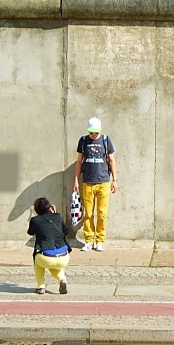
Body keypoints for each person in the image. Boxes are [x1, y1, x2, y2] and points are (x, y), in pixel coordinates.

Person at [73, 117, 116, 251]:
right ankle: (89, 240)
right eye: (91, 133)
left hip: (104, 182)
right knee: (88, 214)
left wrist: (115, 180)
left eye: (96, 133)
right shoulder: (83, 141)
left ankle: (99, 240)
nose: (93, 135)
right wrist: (75, 180)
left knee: (102, 213)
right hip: (88, 182)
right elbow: (79, 162)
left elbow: (112, 161)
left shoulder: (105, 140)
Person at [27, 196, 71, 295]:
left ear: (36, 209)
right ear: (49, 207)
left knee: (38, 260)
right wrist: (54, 214)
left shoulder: (35, 220)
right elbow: (66, 231)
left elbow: (30, 232)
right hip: (64, 257)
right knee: (54, 265)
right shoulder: (58, 216)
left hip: (46, 257)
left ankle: (41, 286)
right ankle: (62, 280)